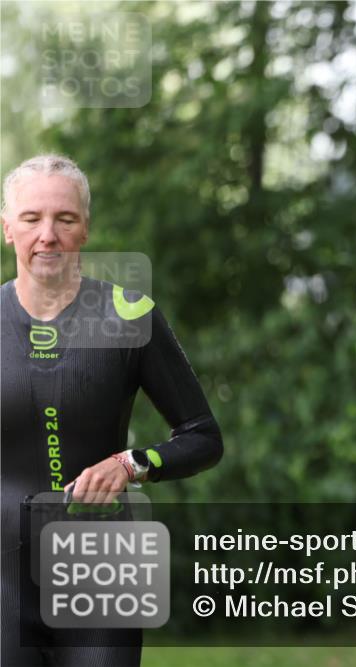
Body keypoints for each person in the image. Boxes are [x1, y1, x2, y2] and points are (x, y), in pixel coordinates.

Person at [1, 154, 223, 666]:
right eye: (32, 218)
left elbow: (204, 437)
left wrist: (131, 464)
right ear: (8, 227)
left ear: (85, 230)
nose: (48, 235)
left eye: (65, 219)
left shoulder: (130, 316)